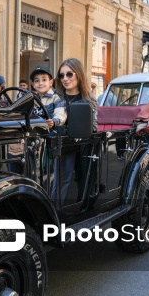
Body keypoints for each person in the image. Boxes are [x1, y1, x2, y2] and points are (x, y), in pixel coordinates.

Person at [51, 58, 99, 209]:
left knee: (82, 178)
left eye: (69, 74)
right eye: (61, 75)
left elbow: (94, 126)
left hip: (83, 149)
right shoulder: (55, 97)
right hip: (58, 148)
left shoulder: (89, 100)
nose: (65, 79)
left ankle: (80, 208)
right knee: (56, 181)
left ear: (79, 74)